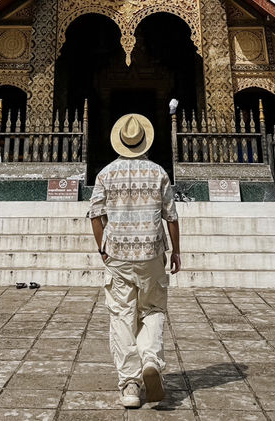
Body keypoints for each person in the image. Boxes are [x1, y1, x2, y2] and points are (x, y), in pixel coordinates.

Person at [89, 113, 181, 409]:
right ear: (145, 142)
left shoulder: (105, 174)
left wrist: (102, 249)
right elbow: (171, 217)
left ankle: (130, 384)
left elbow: (94, 215)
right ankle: (151, 359)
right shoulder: (158, 173)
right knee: (154, 308)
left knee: (121, 315)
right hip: (151, 254)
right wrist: (176, 251)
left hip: (118, 255)